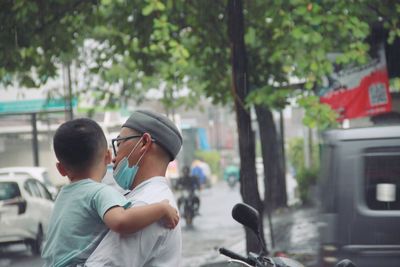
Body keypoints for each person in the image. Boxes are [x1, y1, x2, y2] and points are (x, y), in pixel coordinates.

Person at [41, 118, 179, 267]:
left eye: (119, 144)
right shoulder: (102, 193)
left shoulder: (145, 203)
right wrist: (161, 209)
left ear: (61, 169)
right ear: (106, 156)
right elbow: (121, 221)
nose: (114, 158)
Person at [85, 110, 183, 266]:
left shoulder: (146, 206)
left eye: (119, 144)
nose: (114, 158)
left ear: (144, 142)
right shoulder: (155, 199)